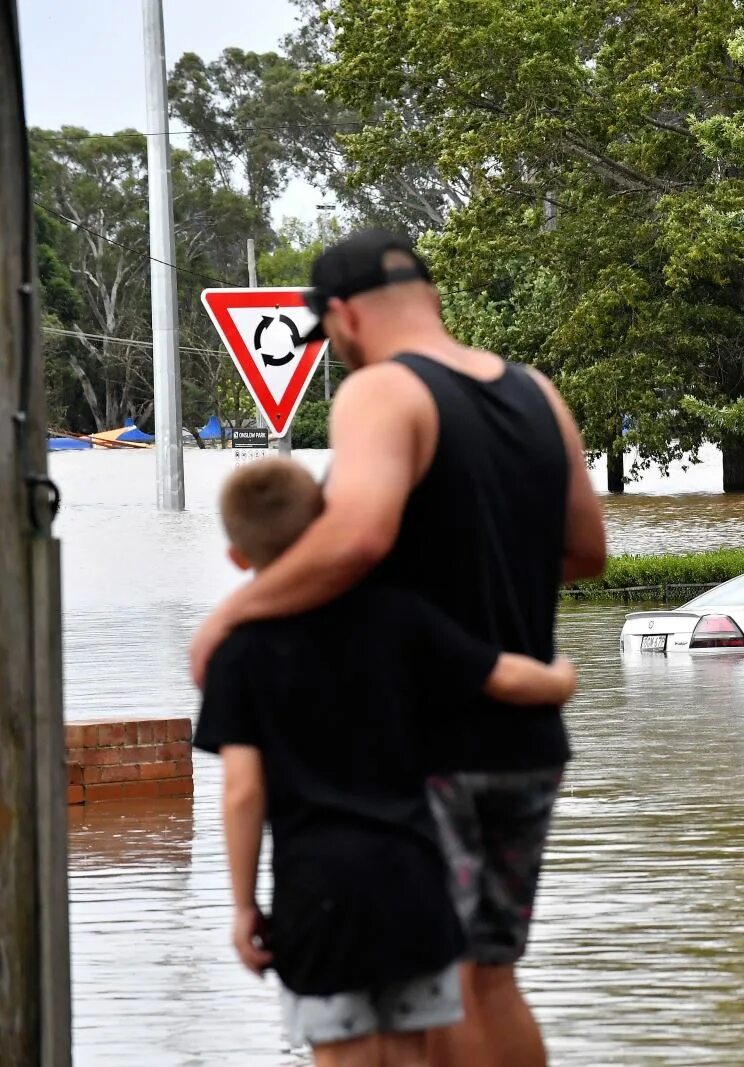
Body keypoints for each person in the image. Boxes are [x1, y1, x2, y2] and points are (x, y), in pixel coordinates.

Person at [190, 230, 607, 1067]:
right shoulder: (537, 393)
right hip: (526, 739)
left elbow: (360, 533)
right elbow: (586, 551)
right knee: (493, 975)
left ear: (341, 315)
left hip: (433, 743)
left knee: (444, 977)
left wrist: (228, 619)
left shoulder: (383, 389)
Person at [195, 458, 579, 1067]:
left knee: (344, 1056)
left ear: (239, 559)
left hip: (316, 893)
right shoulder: (398, 616)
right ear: (325, 529)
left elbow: (242, 792)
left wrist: (243, 906)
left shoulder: (239, 656)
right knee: (409, 1056)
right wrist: (559, 679)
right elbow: (500, 675)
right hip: (414, 880)